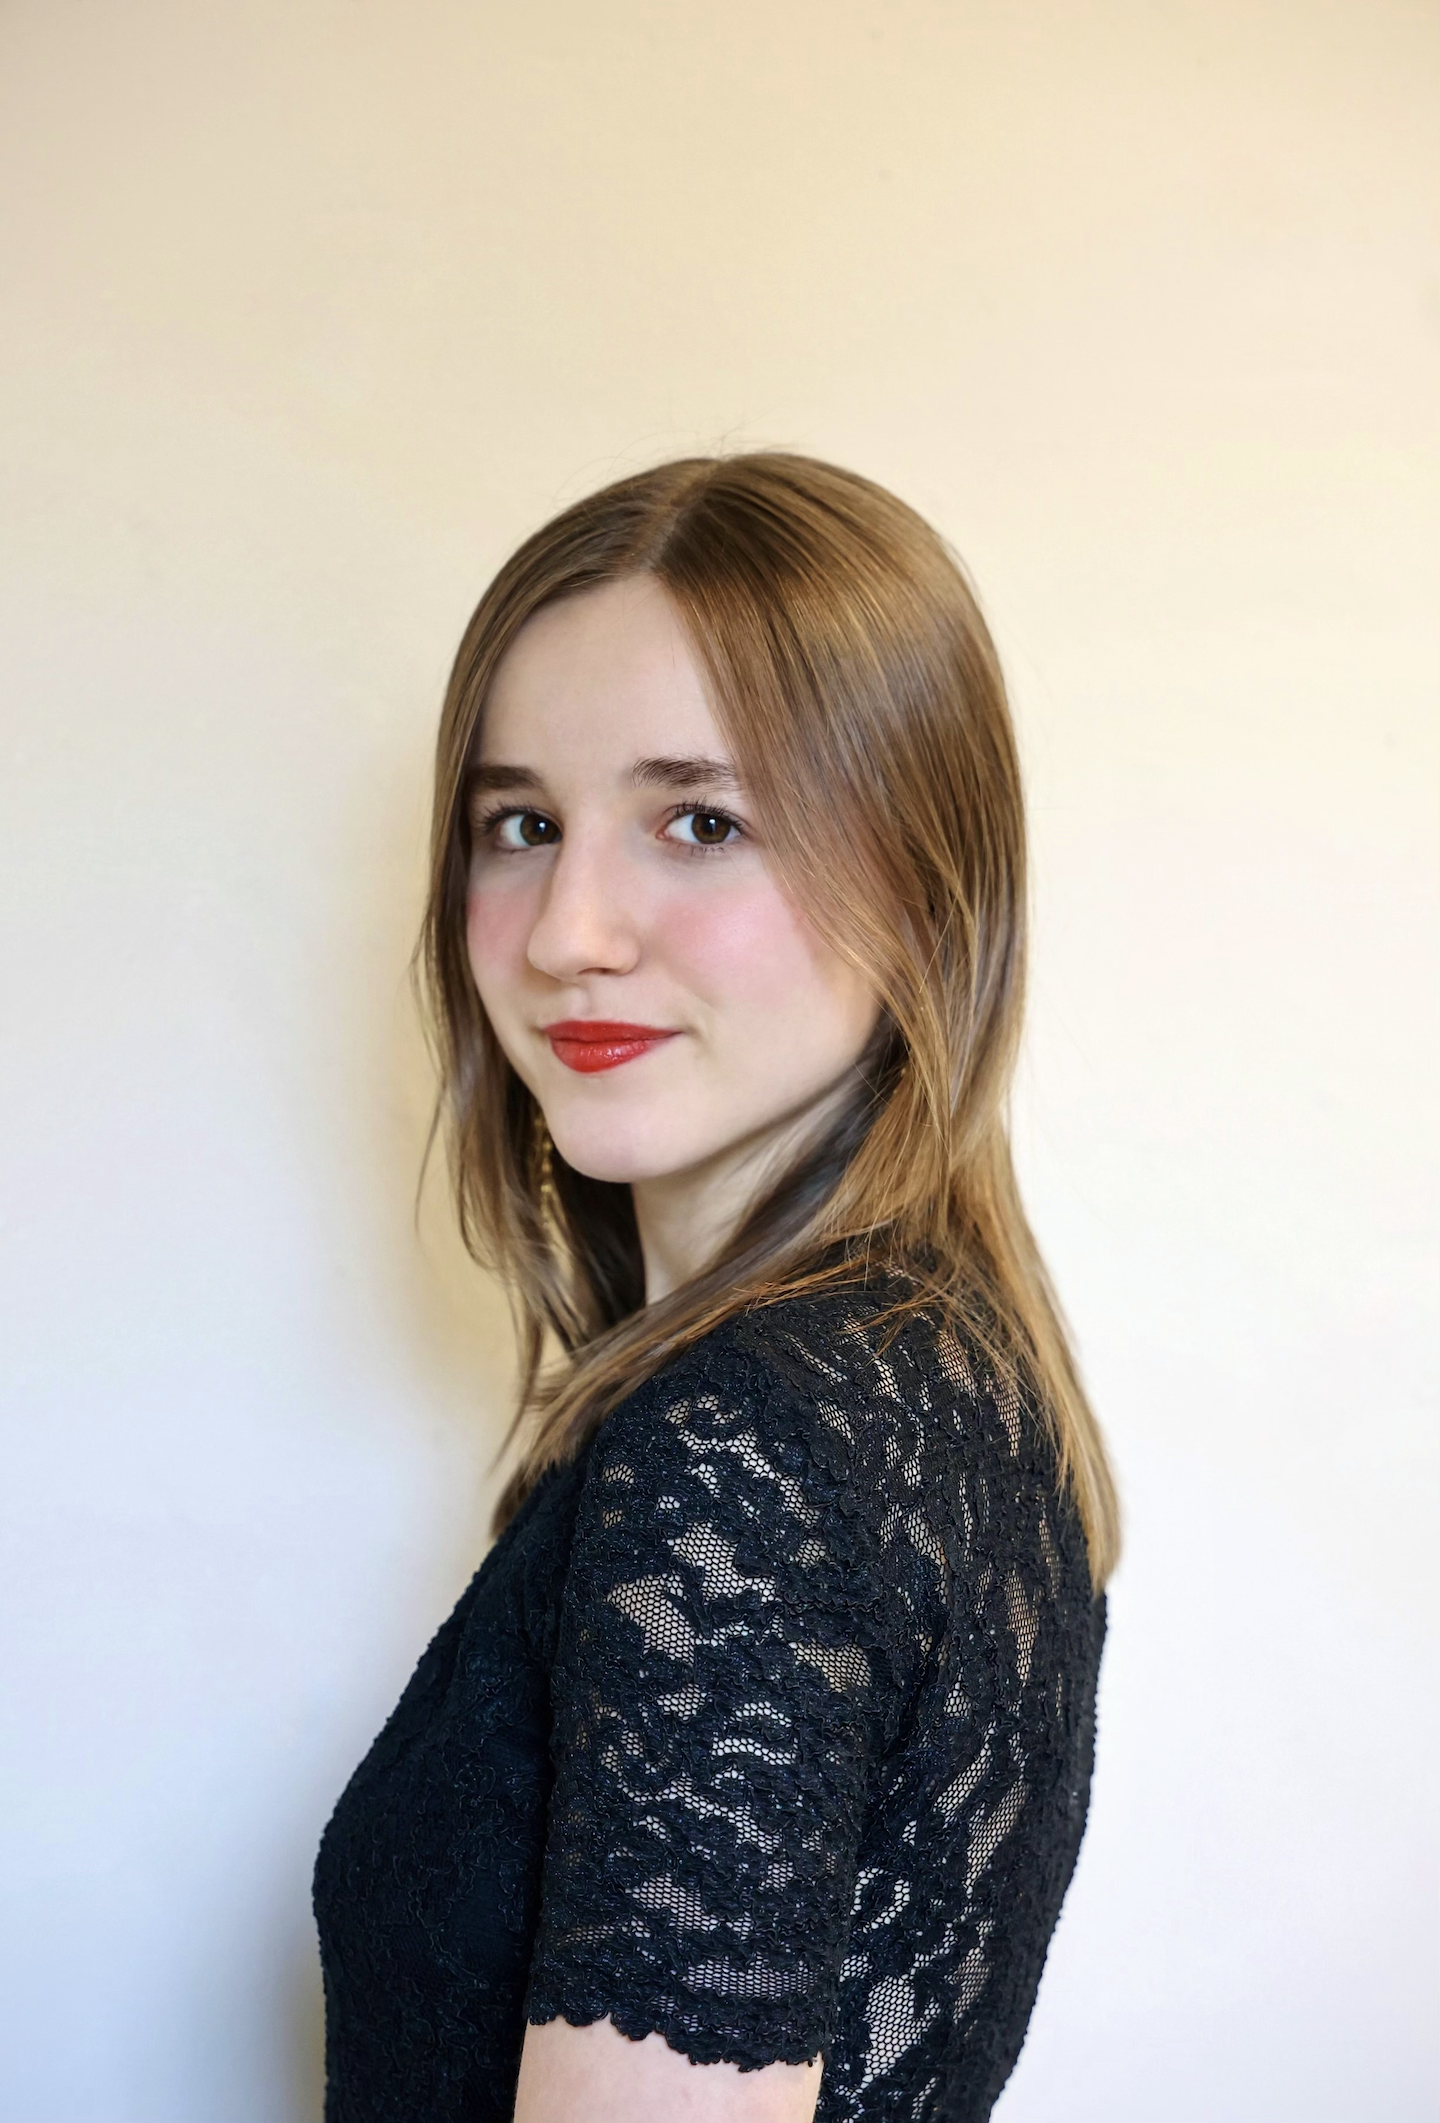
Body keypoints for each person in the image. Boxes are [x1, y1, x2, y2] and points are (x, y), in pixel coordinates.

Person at [312, 452, 1120, 2122]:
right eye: (522, 824)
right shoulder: (952, 1377)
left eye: (702, 821)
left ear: (926, 881)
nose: (568, 931)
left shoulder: (745, 1445)